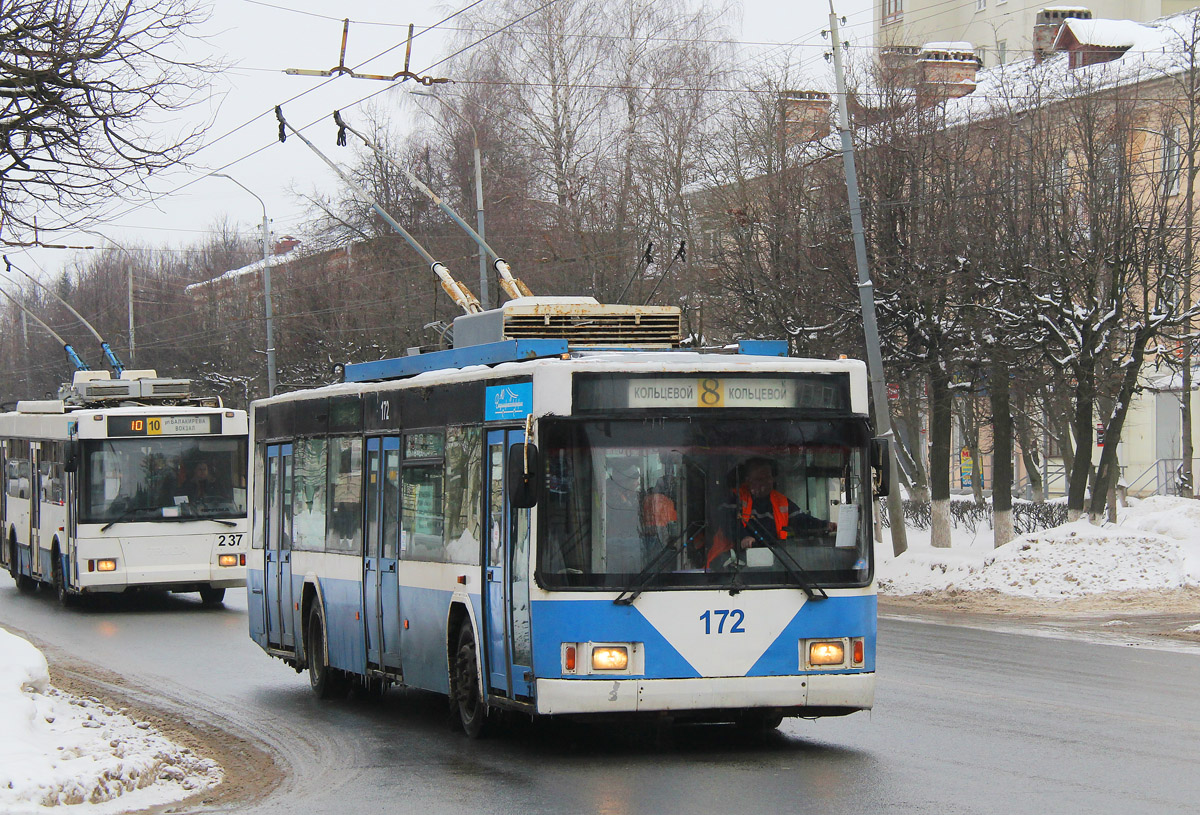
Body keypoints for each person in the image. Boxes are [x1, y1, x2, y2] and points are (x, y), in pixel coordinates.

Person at [707, 458, 835, 568]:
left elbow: (801, 519)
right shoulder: (734, 498)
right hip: (731, 563)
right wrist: (743, 537)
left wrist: (825, 525)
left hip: (774, 560)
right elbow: (727, 522)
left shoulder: (781, 501)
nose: (766, 482)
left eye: (768, 478)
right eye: (759, 479)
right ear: (748, 480)